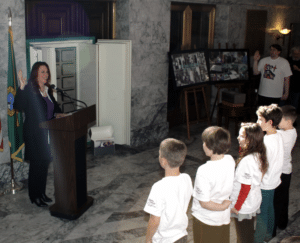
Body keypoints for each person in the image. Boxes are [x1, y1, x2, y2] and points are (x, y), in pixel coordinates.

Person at [14, 62, 65, 207]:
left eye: (47, 72)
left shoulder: (47, 90)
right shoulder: (30, 90)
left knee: (44, 164)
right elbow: (18, 105)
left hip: (47, 134)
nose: (46, 75)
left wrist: (60, 114)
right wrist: (22, 87)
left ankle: (42, 193)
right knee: (36, 166)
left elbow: (54, 107)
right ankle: (34, 196)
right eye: (42, 72)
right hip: (34, 134)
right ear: (36, 74)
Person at [144, 138, 193, 243]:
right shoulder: (187, 178)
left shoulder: (159, 187)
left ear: (163, 161)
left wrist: (148, 239)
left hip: (165, 239)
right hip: (182, 236)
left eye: (160, 154)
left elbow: (154, 220)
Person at [192, 126, 235, 243]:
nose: (203, 145)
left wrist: (223, 207)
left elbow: (204, 203)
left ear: (211, 147)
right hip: (223, 218)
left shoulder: (204, 170)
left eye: (204, 142)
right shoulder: (230, 160)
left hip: (206, 220)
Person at [230, 123, 268, 243]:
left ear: (250, 140)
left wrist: (237, 207)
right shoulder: (259, 154)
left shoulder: (247, 162)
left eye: (241, 136)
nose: (237, 138)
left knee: (244, 236)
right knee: (247, 231)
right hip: (253, 200)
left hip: (243, 205)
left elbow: (245, 188)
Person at [254, 104, 284, 242]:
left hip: (265, 183)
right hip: (274, 180)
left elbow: (262, 166)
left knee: (261, 213)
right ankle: (269, 234)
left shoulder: (265, 142)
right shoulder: (279, 135)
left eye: (260, 120)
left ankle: (259, 239)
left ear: (270, 122)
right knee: (270, 207)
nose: (257, 122)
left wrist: (256, 182)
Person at [273, 105, 297, 236]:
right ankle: (282, 223)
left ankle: (274, 226)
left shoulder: (282, 135)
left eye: (279, 119)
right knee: (284, 199)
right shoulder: (292, 131)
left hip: (281, 173)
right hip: (287, 171)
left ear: (288, 122)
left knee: (277, 201)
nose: (276, 122)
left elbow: (272, 133)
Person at [287, 47, 300, 112]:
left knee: (295, 102)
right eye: (294, 54)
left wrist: (298, 69)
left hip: (297, 85)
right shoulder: (288, 60)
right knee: (287, 101)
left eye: (298, 54)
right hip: (288, 84)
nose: (296, 55)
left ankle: (293, 116)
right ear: (291, 53)